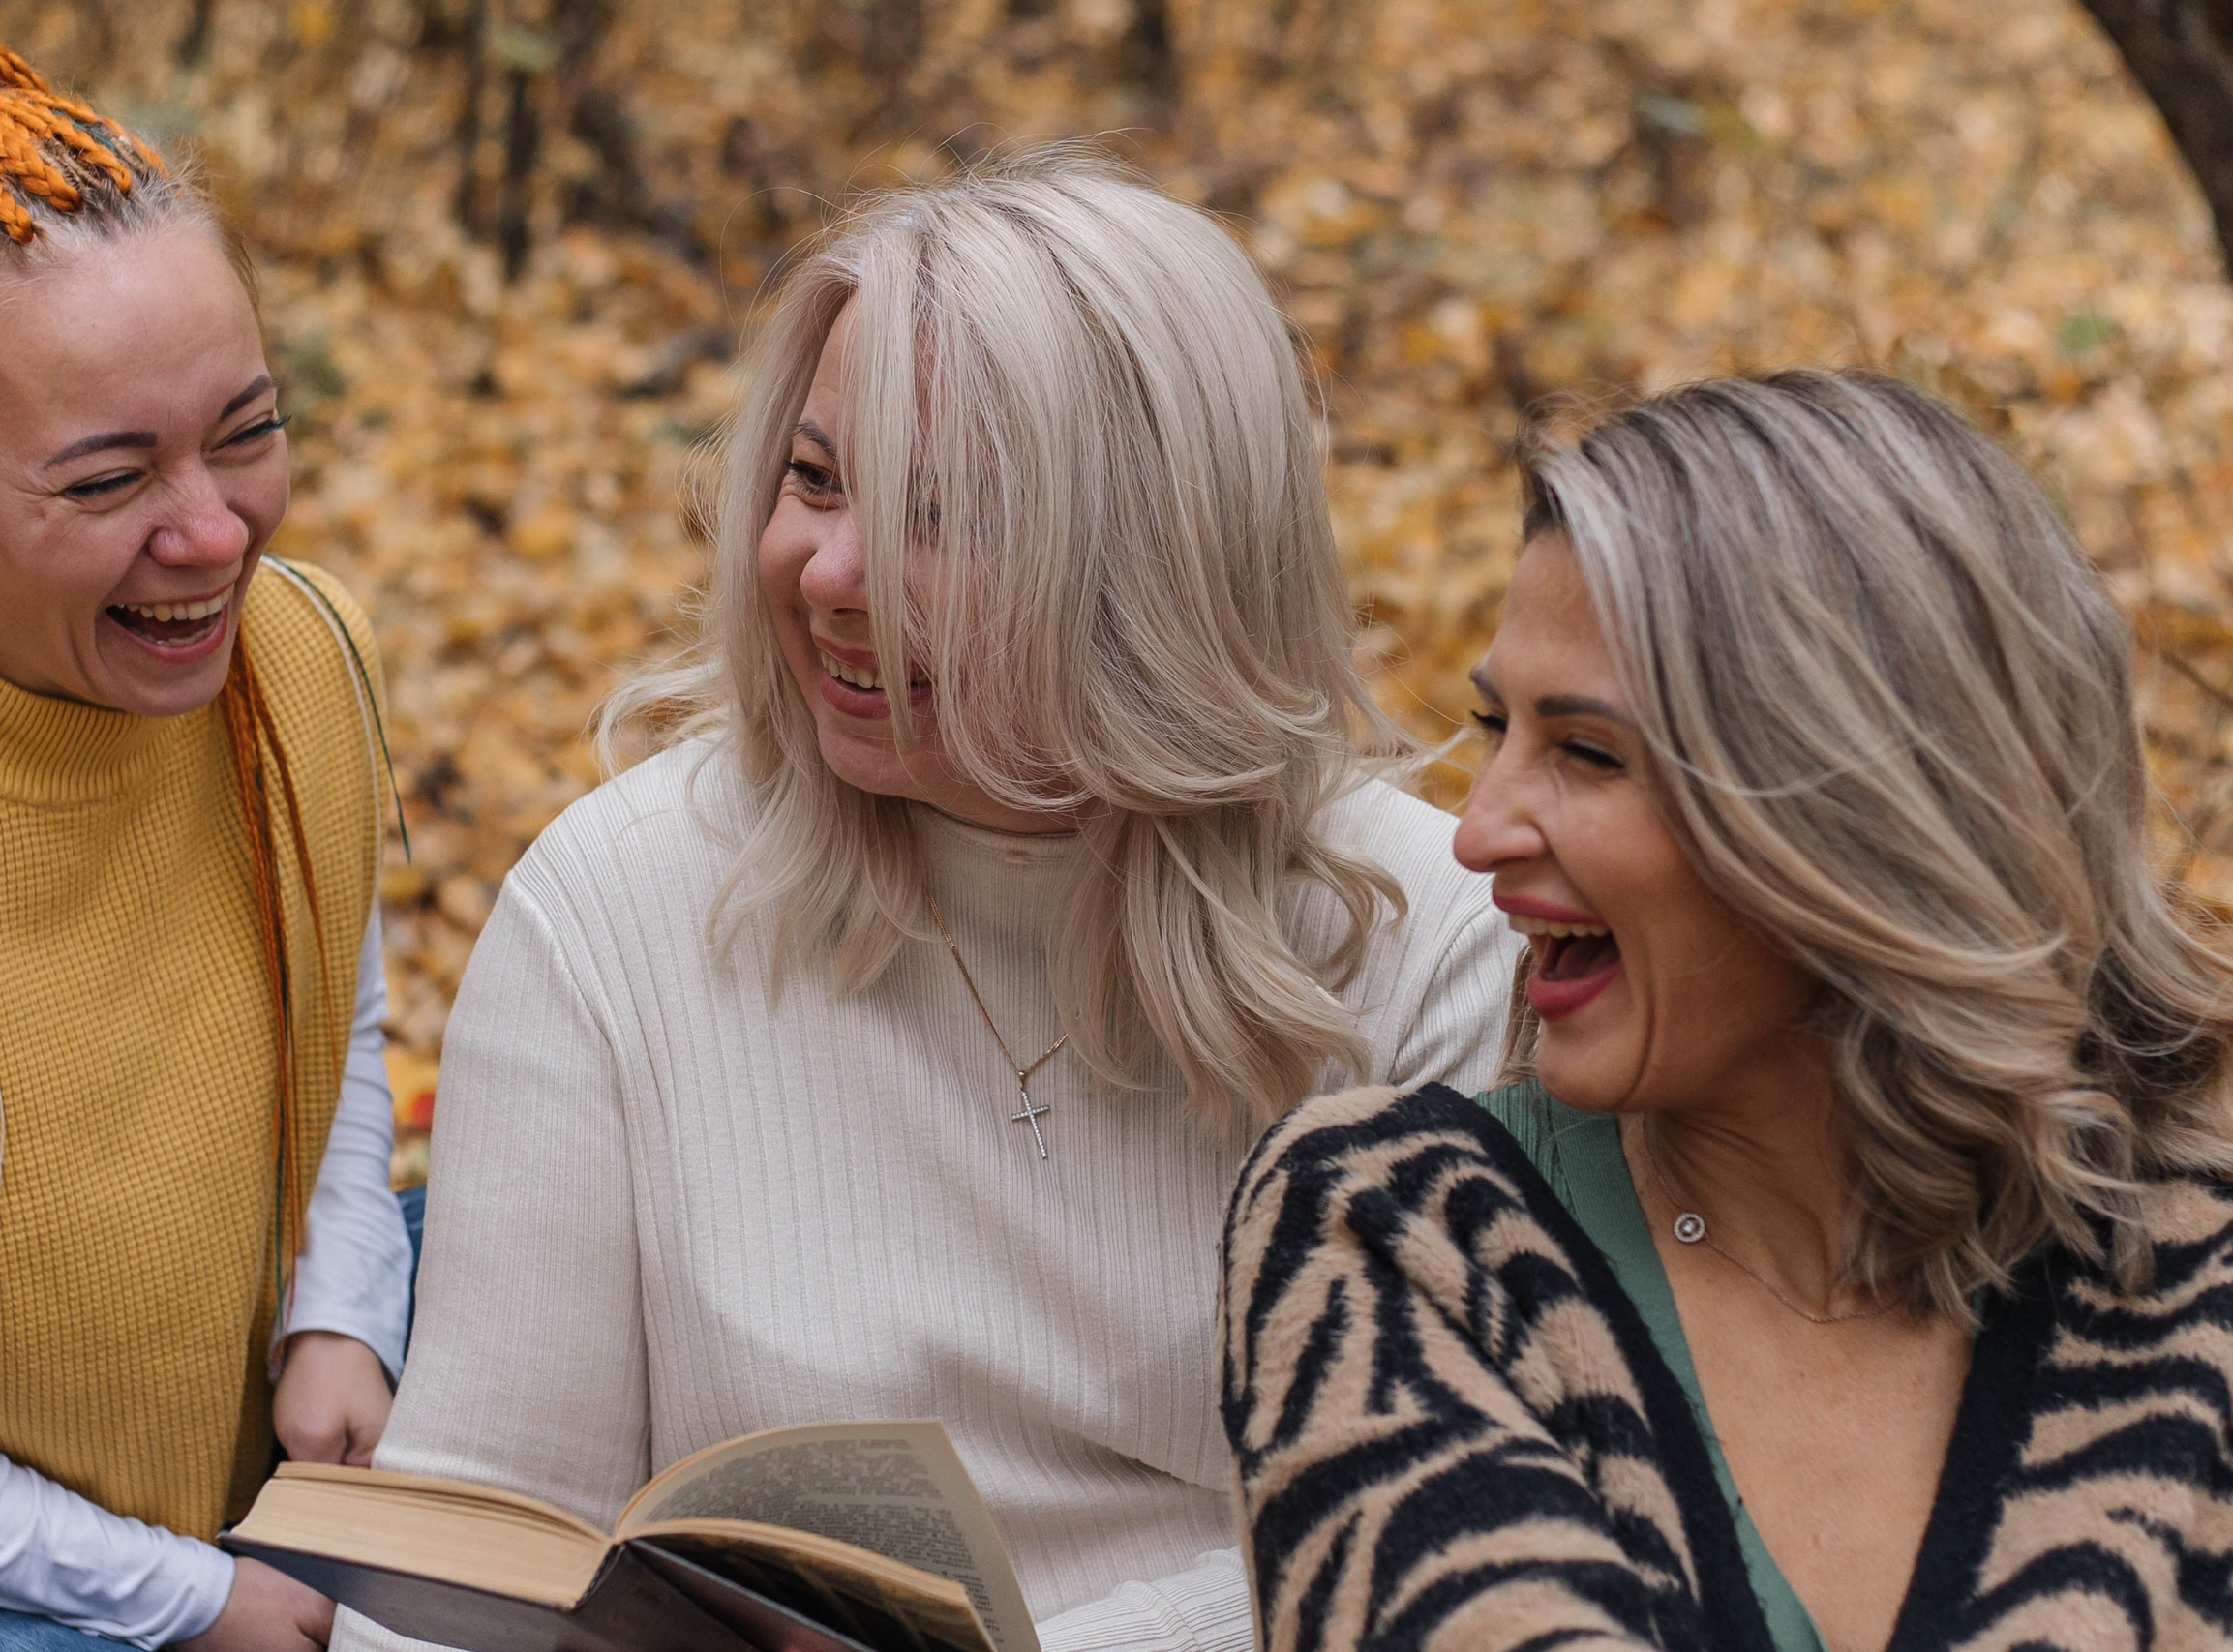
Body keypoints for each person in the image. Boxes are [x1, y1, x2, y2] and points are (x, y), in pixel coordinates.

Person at [330, 151, 1518, 1652]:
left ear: (1156, 565)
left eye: (942, 515)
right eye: (815, 480)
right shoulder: (616, 907)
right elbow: (478, 1546)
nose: (830, 572)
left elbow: (1477, 1541)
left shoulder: (1428, 944)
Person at [1220, 371, 2233, 1652]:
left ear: (1869, 811)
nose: (1477, 833)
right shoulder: (1396, 1231)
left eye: (1587, 753)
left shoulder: (2188, 1257)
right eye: (1494, 729)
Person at [0, 29, 412, 1652]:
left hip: (241, 1490)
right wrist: (190, 1600)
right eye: (110, 479)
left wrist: (346, 1304)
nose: (214, 533)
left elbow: (335, 1012)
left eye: (245, 432)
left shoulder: (300, 657)